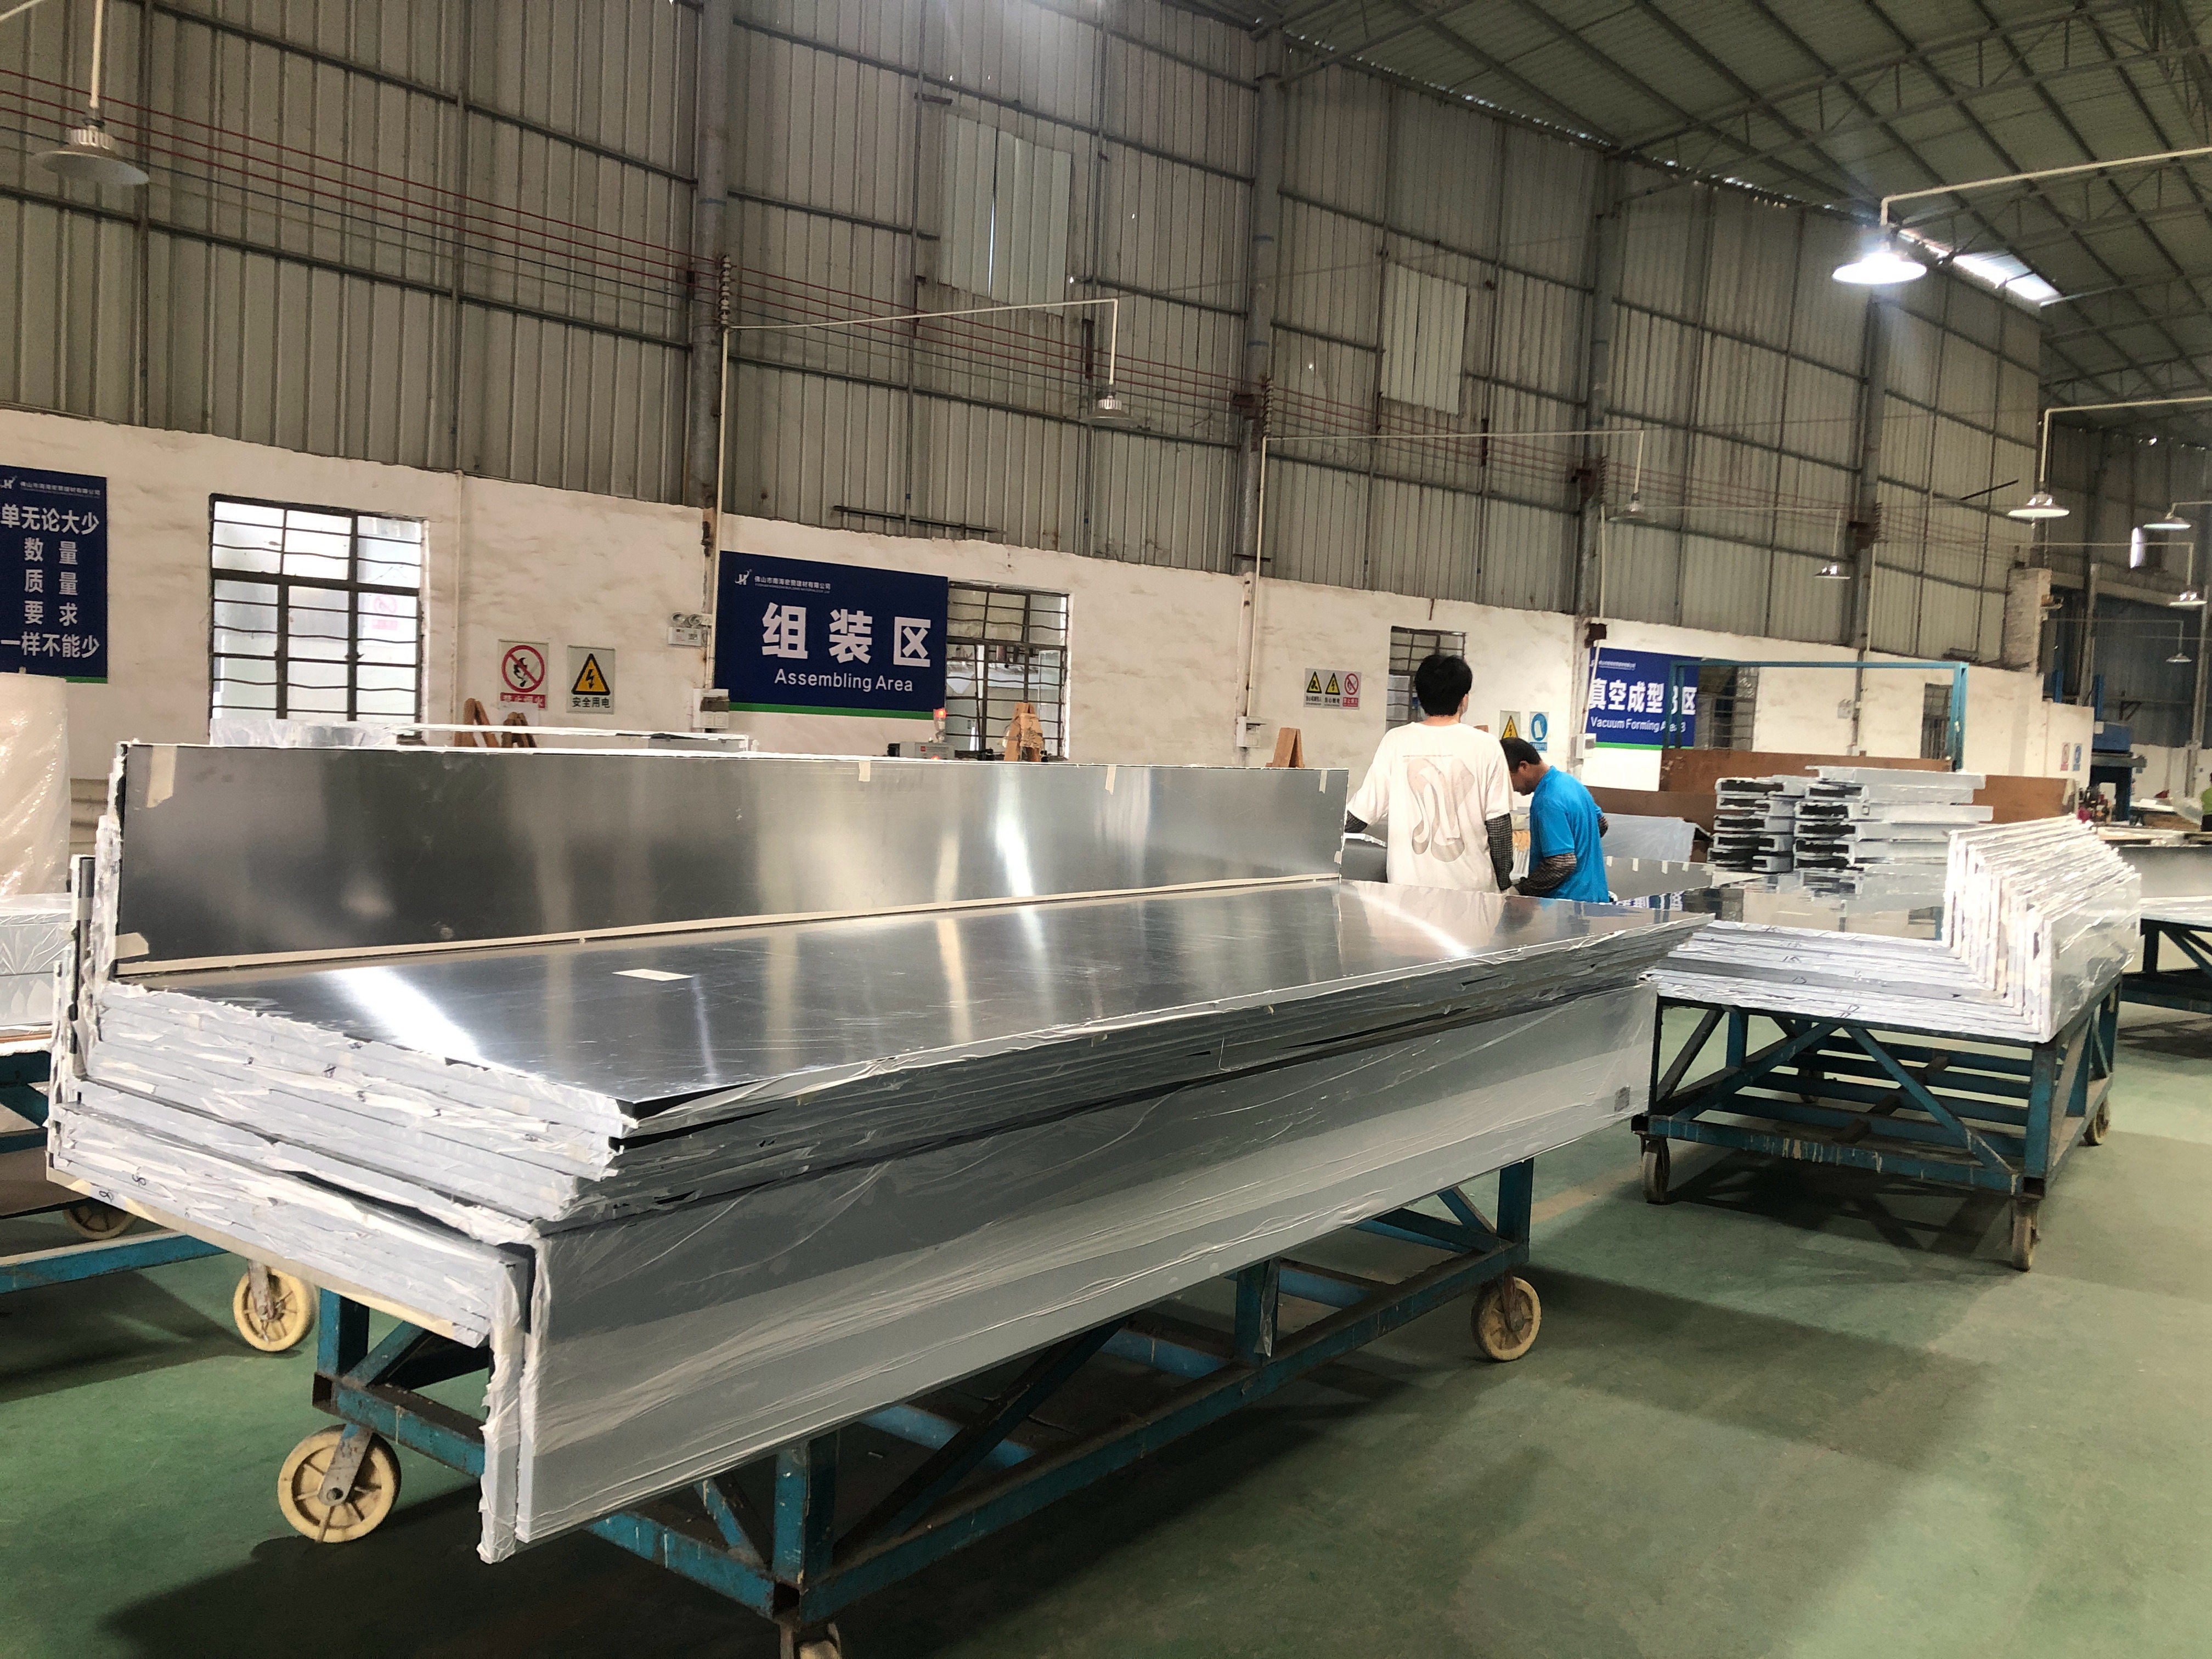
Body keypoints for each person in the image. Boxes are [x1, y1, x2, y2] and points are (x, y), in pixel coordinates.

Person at [1344, 653, 1514, 891]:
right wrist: (1504, 883)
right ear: (1464, 698)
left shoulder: (1396, 741)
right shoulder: (1487, 745)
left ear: (1420, 696)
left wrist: (1317, 834)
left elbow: (1360, 815)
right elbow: (1498, 825)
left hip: (1407, 892)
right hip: (1473, 892)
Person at [1500, 736, 1611, 901]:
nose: (1509, 787)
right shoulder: (1571, 783)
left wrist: (1521, 890)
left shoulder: (1547, 800)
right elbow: (1601, 824)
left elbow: (1561, 864)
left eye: (1508, 778)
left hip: (1566, 904)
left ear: (1524, 766)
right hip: (1595, 897)